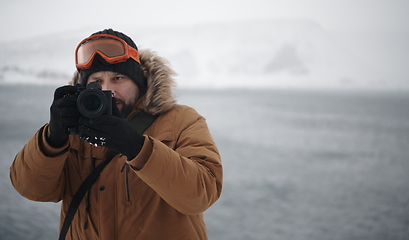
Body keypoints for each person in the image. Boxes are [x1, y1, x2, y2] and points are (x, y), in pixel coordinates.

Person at [10, 29, 223, 240]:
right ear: (84, 87)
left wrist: (137, 147)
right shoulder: (73, 130)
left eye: (118, 78)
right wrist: (52, 140)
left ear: (138, 81)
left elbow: (202, 194)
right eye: (97, 81)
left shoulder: (182, 120)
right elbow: (31, 189)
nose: (107, 90)